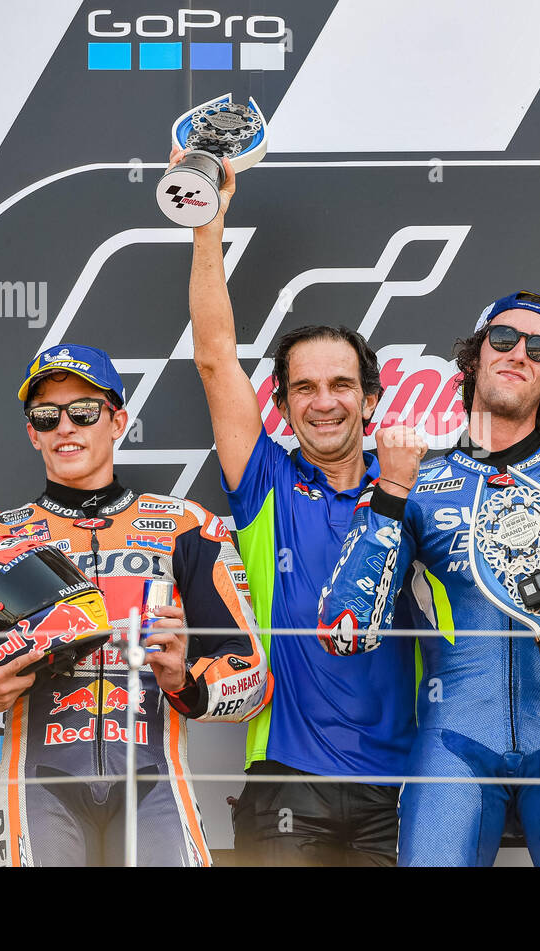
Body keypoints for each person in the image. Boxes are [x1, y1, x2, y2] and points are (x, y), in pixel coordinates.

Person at [318, 290, 540, 866]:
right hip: (453, 744)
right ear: (474, 357)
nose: (518, 354)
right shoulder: (414, 481)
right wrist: (389, 495)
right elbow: (343, 632)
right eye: (503, 339)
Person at [0, 344, 269, 866]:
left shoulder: (188, 527)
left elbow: (252, 678)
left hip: (155, 783)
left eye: (83, 411)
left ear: (118, 421)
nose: (65, 427)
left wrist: (186, 681)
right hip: (39, 786)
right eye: (47, 415)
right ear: (32, 433)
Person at [183, 151, 416, 865]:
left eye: (342, 384)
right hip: (287, 778)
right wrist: (205, 220)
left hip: (403, 783)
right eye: (304, 388)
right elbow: (217, 356)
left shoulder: (415, 488)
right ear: (280, 405)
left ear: (370, 398)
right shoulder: (264, 485)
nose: (324, 401)